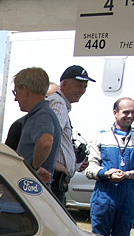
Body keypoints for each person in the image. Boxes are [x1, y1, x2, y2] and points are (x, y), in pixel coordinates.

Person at [84, 97, 134, 236]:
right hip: (104, 195)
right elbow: (90, 168)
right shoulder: (101, 137)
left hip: (129, 195)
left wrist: (129, 174)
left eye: (133, 112)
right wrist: (108, 173)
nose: (130, 116)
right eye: (126, 112)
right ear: (115, 112)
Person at [47, 65, 95, 207]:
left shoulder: (61, 104)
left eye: (85, 87)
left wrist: (75, 161)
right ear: (64, 84)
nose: (82, 91)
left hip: (57, 180)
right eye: (79, 86)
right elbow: (48, 137)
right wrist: (53, 163)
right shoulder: (59, 104)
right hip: (54, 180)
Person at [11, 67, 59, 185]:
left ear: (25, 90)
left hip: (30, 188)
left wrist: (32, 168)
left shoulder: (42, 115)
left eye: (16, 92)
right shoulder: (40, 114)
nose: (15, 98)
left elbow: (45, 142)